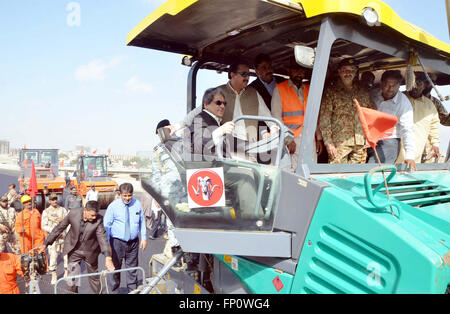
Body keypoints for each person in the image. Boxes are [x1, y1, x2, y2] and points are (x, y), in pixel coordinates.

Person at [173, 61, 279, 153]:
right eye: (243, 74)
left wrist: (274, 128)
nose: (247, 77)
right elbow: (196, 113)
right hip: (228, 152)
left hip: (251, 151)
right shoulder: (219, 93)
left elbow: (268, 117)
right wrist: (176, 127)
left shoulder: (254, 93)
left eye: (248, 74)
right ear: (232, 75)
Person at [189, 88, 259, 218]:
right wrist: (220, 131)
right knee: (245, 176)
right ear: (206, 104)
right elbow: (199, 145)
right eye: (218, 103)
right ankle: (254, 219)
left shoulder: (214, 122)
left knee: (254, 170)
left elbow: (232, 141)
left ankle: (242, 216)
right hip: (206, 170)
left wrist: (257, 146)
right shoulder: (200, 119)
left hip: (216, 166)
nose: (222, 106)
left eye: (224, 104)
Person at [43, 200, 114, 294]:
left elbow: (102, 237)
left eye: (96, 215)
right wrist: (46, 243)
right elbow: (60, 227)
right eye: (92, 215)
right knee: (72, 277)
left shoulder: (99, 219)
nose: (94, 217)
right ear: (85, 210)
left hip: (90, 251)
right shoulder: (73, 213)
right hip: (74, 250)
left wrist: (107, 256)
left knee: (94, 278)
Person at [271, 59, 324, 171]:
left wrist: (319, 138)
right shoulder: (279, 89)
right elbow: (276, 118)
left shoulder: (310, 89)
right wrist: (288, 139)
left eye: (302, 70)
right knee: (294, 172)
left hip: (310, 139)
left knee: (310, 171)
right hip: (292, 140)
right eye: (296, 70)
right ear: (289, 71)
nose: (299, 73)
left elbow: (315, 116)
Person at [319, 58, 374, 164]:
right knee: (337, 175)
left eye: (352, 70)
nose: (348, 73)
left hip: (360, 143)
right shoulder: (331, 91)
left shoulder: (363, 91)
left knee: (356, 176)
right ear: (339, 71)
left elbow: (370, 114)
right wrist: (328, 143)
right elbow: (325, 119)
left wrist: (369, 136)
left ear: (356, 72)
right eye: (344, 70)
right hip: (339, 143)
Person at [103, 183, 147, 294]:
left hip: (133, 243)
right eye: (125, 196)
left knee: (132, 269)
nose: (127, 198)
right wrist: (108, 245)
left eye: (129, 196)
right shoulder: (113, 206)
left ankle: (133, 291)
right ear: (120, 194)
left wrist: (144, 238)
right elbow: (106, 226)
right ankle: (114, 292)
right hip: (117, 243)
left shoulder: (137, 204)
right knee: (115, 269)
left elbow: (142, 222)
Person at [368, 70, 416, 170]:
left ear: (399, 86)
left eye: (394, 85)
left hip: (389, 141)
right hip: (369, 138)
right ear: (381, 84)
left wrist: (410, 156)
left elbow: (407, 130)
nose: (390, 88)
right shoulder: (373, 94)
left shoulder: (403, 103)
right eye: (387, 84)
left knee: (372, 168)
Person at [405, 72, 440, 163]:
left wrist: (435, 143)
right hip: (399, 150)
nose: (415, 87)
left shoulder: (430, 104)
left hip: (418, 150)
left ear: (425, 86)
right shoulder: (400, 98)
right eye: (412, 84)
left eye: (419, 84)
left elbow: (434, 125)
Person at [41, 193, 69, 284]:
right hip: (53, 239)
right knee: (53, 257)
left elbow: (69, 222)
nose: (55, 201)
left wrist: (64, 221)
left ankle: (66, 272)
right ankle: (54, 274)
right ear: (49, 201)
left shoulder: (63, 210)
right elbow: (44, 226)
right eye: (53, 199)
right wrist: (54, 232)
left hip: (63, 237)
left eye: (56, 199)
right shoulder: (46, 212)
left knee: (66, 256)